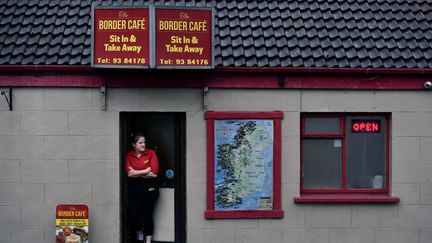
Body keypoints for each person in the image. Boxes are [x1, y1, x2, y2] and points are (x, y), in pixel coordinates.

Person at [125, 133, 159, 243]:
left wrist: (135, 172)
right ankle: (139, 231)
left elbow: (154, 174)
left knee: (148, 215)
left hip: (150, 187)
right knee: (132, 213)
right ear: (134, 145)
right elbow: (129, 174)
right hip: (135, 188)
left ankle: (148, 241)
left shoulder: (151, 153)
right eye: (140, 143)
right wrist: (145, 171)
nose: (143, 144)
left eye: (144, 142)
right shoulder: (129, 156)